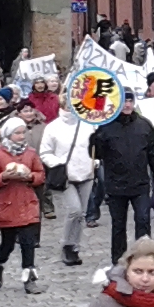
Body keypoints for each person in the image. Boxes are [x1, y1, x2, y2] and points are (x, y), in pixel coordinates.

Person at [92, 92, 154, 266]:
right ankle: (119, 261)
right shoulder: (106, 128)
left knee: (143, 221)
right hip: (116, 184)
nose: (127, 105)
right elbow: (96, 154)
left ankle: (144, 257)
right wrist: (94, 139)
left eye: (130, 101)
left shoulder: (144, 126)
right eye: (123, 101)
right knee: (118, 225)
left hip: (140, 183)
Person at [0, 118, 45, 295]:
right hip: (8, 205)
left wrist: (30, 177)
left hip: (27, 203)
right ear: (8, 135)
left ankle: (29, 278)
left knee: (28, 242)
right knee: (7, 244)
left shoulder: (30, 153)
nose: (21, 136)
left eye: (23, 132)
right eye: (17, 133)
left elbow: (40, 175)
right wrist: (4, 176)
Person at [38, 108, 97, 269]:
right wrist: (59, 164)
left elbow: (96, 146)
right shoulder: (53, 127)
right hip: (65, 176)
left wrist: (96, 160)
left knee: (81, 214)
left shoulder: (89, 124)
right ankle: (67, 245)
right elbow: (45, 152)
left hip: (86, 173)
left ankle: (75, 247)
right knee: (74, 210)